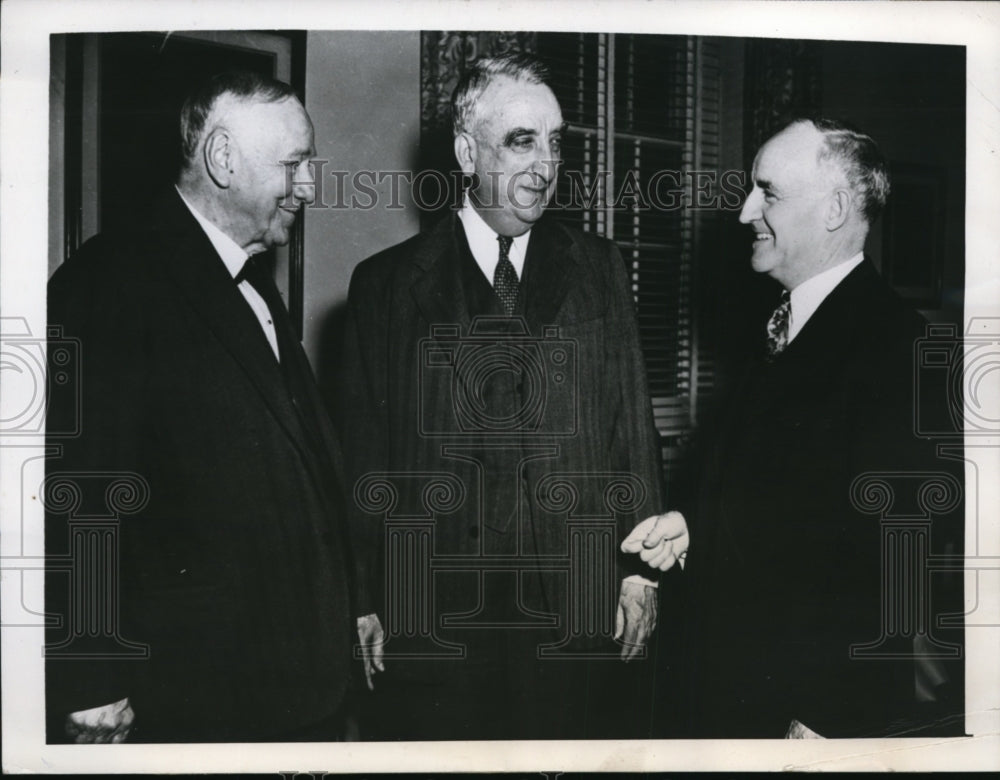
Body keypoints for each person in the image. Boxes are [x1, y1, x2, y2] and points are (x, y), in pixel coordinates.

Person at [338, 53, 664, 740]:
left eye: (555, 142)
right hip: (432, 618)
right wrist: (361, 599)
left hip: (576, 612)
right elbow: (362, 457)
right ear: (465, 151)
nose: (545, 164)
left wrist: (639, 575)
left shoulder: (599, 269)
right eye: (522, 141)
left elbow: (631, 430)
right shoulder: (385, 286)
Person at [45, 70, 375, 743]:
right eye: (294, 164)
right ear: (222, 159)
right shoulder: (110, 283)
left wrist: (354, 606)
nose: (309, 186)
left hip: (290, 682)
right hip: (194, 692)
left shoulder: (250, 283)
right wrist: (89, 677)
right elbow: (77, 494)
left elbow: (307, 467)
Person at [623, 118, 964, 738]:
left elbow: (894, 556)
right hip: (734, 690)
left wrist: (828, 714)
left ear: (835, 208)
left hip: (806, 711)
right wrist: (693, 525)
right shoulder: (786, 326)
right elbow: (796, 497)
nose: (745, 211)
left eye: (768, 192)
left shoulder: (897, 346)